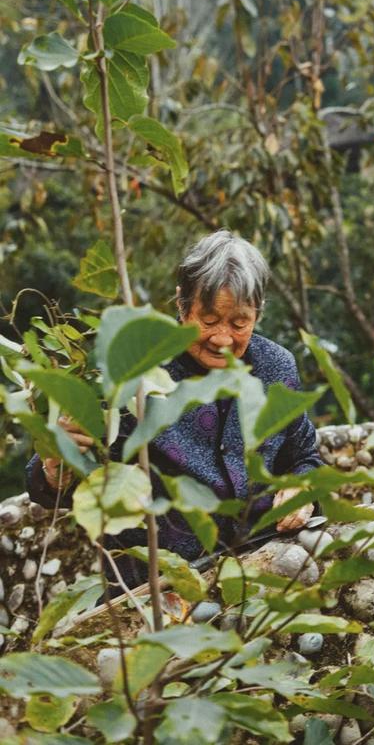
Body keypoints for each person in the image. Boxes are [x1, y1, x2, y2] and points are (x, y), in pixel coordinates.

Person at [26, 230, 324, 589]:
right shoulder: (136, 372)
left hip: (263, 569)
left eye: (239, 322)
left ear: (258, 313)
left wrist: (301, 489)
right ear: (182, 305)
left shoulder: (277, 369)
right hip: (161, 588)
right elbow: (64, 484)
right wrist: (59, 466)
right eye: (209, 320)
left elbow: (305, 456)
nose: (223, 339)